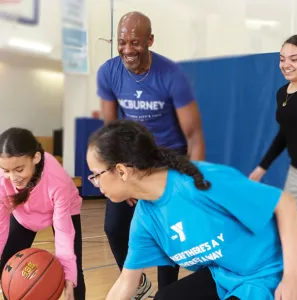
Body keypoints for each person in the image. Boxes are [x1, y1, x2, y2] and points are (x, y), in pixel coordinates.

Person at [86, 119, 297, 300]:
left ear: (122, 171)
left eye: (96, 175)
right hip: (225, 276)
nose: (95, 182)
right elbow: (126, 282)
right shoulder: (145, 218)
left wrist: (293, 277)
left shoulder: (199, 182)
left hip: (270, 271)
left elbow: (286, 203)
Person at [96, 10, 205, 298]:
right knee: (113, 227)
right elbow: (110, 130)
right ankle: (136, 282)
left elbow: (194, 136)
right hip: (131, 158)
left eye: (135, 42)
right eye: (122, 42)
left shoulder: (172, 75)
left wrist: (192, 185)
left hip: (168, 160)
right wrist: (124, 176)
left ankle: (167, 292)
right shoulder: (109, 71)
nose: (127, 49)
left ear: (150, 40)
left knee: (168, 234)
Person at [0, 128, 86, 300]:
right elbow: (0, 225)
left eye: (19, 169)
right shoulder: (3, 179)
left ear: (36, 158)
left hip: (63, 211)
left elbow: (63, 232)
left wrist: (69, 277)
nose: (13, 177)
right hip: (24, 213)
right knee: (6, 266)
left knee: (73, 270)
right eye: (6, 170)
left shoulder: (57, 180)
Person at [249, 34, 297, 207]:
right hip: (296, 172)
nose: (286, 65)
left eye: (294, 59)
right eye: (282, 59)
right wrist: (262, 167)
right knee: (290, 222)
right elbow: (285, 133)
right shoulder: (282, 93)